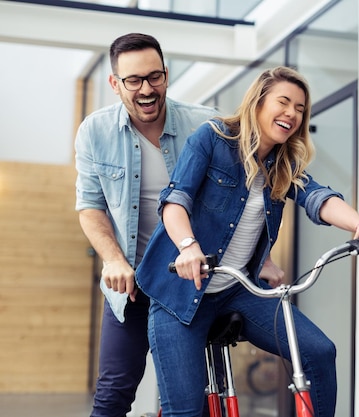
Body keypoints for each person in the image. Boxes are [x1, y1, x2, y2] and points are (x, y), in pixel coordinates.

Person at [135, 66, 359, 417]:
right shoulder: (212, 139)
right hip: (179, 292)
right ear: (258, 103)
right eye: (284, 102)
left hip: (238, 290)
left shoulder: (283, 163)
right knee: (185, 411)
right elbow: (175, 201)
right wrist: (187, 247)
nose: (292, 113)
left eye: (300, 108)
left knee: (318, 352)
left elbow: (317, 197)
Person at [74, 33, 282, 417]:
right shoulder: (95, 131)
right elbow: (90, 206)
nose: (146, 89)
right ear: (115, 83)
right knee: (114, 392)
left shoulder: (207, 125)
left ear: (167, 75)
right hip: (134, 283)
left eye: (155, 77)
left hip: (196, 283)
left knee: (195, 400)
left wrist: (261, 257)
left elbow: (248, 194)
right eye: (133, 80)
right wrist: (113, 259)